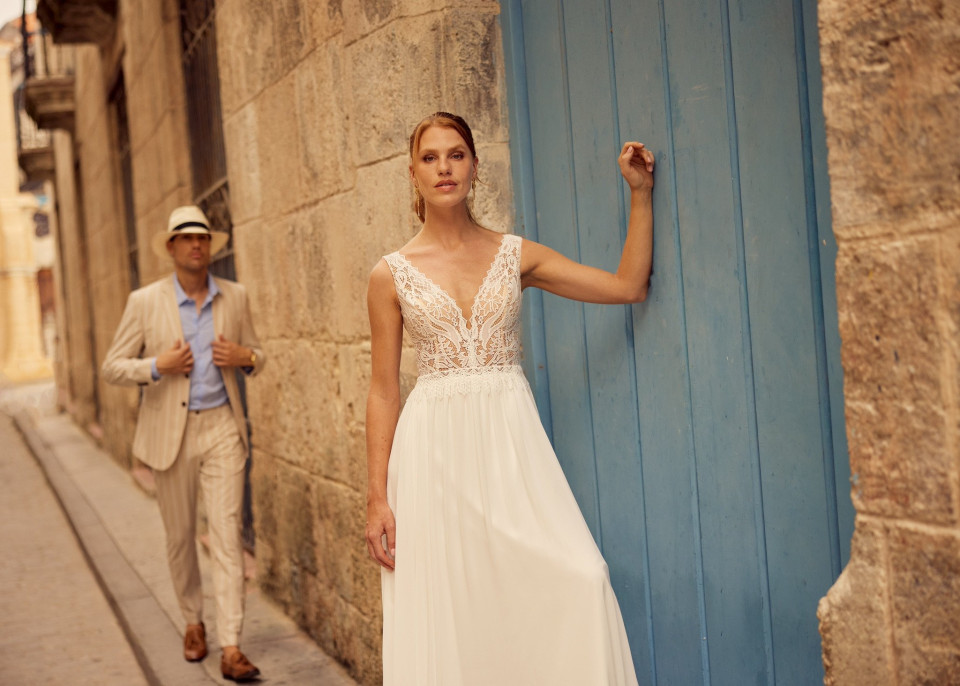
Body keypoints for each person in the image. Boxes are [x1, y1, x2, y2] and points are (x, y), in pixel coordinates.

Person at [365, 112, 654, 685]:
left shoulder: (514, 254)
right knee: (453, 611)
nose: (444, 168)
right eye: (430, 158)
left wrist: (640, 195)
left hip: (509, 445)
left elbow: (627, 287)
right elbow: (383, 389)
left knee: (584, 577)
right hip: (432, 456)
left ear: (475, 166)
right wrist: (377, 497)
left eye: (456, 155)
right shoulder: (390, 274)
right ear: (413, 173)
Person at [102, 205, 265, 683]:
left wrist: (245, 355)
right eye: (187, 238)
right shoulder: (144, 301)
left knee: (227, 534)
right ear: (172, 247)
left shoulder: (234, 296)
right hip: (169, 435)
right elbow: (113, 366)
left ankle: (231, 645)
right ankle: (193, 621)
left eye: (203, 237)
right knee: (179, 538)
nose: (197, 245)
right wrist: (157, 366)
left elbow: (258, 354)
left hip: (222, 428)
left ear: (209, 246)